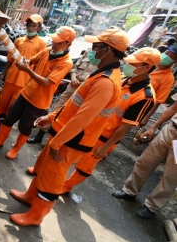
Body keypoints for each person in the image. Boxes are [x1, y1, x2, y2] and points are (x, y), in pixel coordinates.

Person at [10, 28, 128, 226]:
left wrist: (57, 142)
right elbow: (75, 104)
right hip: (64, 134)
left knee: (52, 179)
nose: (92, 50)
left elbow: (83, 118)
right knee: (44, 168)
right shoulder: (101, 74)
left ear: (107, 50)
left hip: (72, 140)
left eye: (96, 47)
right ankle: (30, 197)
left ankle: (36, 216)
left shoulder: (106, 82)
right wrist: (52, 116)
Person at [61, 47, 160, 193]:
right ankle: (55, 177)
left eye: (134, 64)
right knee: (67, 153)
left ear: (147, 67)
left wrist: (106, 147)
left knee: (86, 165)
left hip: (103, 138)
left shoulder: (145, 96)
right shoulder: (123, 80)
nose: (128, 65)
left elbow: (125, 127)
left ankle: (66, 186)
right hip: (90, 127)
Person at [0, 26, 76, 160]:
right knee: (9, 118)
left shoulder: (66, 63)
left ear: (68, 43)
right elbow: (31, 61)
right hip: (26, 93)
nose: (54, 43)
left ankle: (16, 149)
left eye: (59, 42)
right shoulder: (47, 51)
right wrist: (23, 61)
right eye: (54, 40)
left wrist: (27, 70)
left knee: (25, 127)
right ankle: (0, 140)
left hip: (39, 101)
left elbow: (46, 82)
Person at [112, 93, 177, 219]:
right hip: (170, 129)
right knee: (145, 162)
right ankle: (130, 191)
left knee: (171, 176)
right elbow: (174, 108)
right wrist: (153, 127)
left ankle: (151, 206)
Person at [27, 47, 98, 144]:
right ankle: (39, 136)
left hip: (86, 91)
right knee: (56, 109)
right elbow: (75, 67)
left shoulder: (108, 60)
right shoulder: (89, 51)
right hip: (73, 86)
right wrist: (73, 77)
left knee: (69, 116)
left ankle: (53, 141)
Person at [0, 14, 47, 118]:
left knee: (14, 103)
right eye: (29, 25)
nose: (30, 28)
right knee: (3, 99)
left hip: (24, 80)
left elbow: (39, 65)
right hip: (11, 77)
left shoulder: (41, 44)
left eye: (34, 26)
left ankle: (6, 121)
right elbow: (10, 59)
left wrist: (32, 81)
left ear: (39, 28)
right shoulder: (19, 40)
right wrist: (3, 73)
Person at [139, 44, 177, 126]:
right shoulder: (150, 62)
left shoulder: (169, 78)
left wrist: (146, 117)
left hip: (139, 107)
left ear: (175, 61)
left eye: (171, 57)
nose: (166, 56)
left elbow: (158, 101)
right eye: (166, 53)